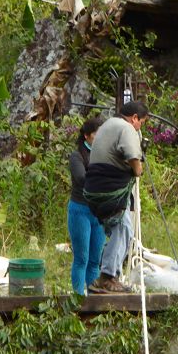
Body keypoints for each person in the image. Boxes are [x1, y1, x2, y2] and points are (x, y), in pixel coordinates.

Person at [84, 101, 149, 293]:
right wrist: (138, 170)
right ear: (134, 118)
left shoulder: (107, 125)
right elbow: (131, 154)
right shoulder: (125, 128)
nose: (139, 128)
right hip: (109, 188)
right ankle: (107, 276)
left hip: (95, 189)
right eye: (141, 123)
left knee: (119, 229)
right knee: (123, 227)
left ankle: (108, 274)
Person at [67, 117, 106, 295]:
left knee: (95, 260)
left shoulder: (105, 154)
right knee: (82, 257)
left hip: (98, 212)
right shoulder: (77, 156)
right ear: (87, 136)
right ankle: (78, 297)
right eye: (97, 134)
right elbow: (81, 178)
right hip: (80, 210)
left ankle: (93, 298)